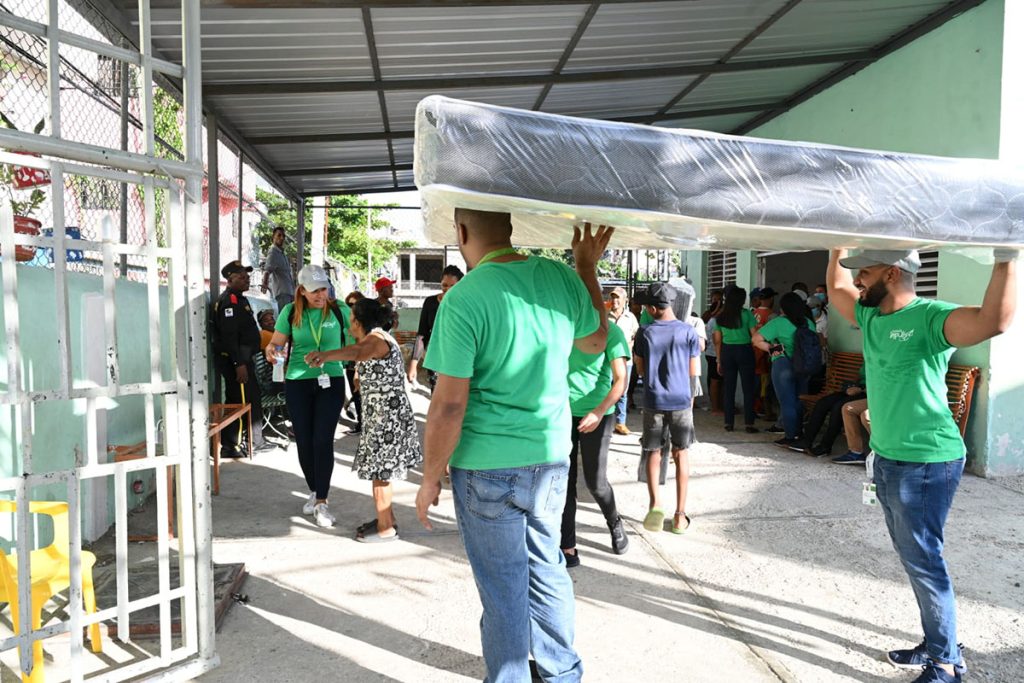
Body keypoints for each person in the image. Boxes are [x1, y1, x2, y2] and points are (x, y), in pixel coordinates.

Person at [415, 210, 610, 683]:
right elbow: (596, 342)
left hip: (484, 467)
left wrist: (428, 477)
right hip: (548, 458)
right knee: (548, 569)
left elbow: (447, 407)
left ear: (461, 234)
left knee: (503, 589)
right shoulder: (561, 277)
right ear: (510, 227)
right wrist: (586, 267)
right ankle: (562, 673)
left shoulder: (462, 299)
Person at [827, 247, 1016, 683]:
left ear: (892, 273)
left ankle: (946, 662)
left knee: (924, 560)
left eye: (866, 273)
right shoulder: (871, 316)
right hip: (889, 456)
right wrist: (837, 245)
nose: (858, 281)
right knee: (913, 558)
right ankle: (937, 641)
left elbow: (994, 322)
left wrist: (1006, 257)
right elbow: (837, 285)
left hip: (928, 461)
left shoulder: (932, 317)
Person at [307, 298, 423, 542]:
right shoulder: (378, 337)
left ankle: (386, 530)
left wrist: (325, 356)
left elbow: (358, 352)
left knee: (380, 474)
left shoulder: (376, 340)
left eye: (351, 320)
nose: (349, 325)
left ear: (359, 322)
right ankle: (386, 520)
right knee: (379, 473)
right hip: (382, 417)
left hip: (387, 420)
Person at [264, 265, 349, 528]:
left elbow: (359, 342)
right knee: (304, 440)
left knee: (322, 440)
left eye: (324, 289)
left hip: (330, 380)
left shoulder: (339, 310)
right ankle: (314, 490)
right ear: (302, 291)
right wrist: (272, 350)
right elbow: (276, 343)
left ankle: (322, 501)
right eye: (314, 291)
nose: (320, 295)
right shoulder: (290, 312)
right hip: (298, 382)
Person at [560, 312, 631, 568]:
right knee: (563, 479)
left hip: (598, 414)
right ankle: (567, 545)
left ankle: (615, 522)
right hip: (562, 413)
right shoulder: (564, 326)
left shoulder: (611, 332)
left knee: (595, 482)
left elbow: (621, 380)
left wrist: (598, 411)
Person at [634, 283, 702, 534]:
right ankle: (680, 516)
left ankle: (655, 505)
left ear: (653, 308)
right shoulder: (689, 332)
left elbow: (640, 369)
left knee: (653, 452)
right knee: (681, 454)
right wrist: (690, 404)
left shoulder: (644, 333)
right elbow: (693, 374)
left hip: (653, 401)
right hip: (681, 401)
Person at [211, 260, 269, 458]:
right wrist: (239, 364)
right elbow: (229, 337)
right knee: (239, 402)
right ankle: (231, 446)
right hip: (237, 362)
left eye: (247, 276)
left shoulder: (239, 299)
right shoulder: (229, 302)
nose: (247, 279)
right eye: (242, 277)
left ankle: (254, 441)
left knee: (250, 399)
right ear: (230, 279)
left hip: (244, 359)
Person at [752, 292, 815, 448]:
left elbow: (756, 339)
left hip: (783, 364)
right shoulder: (808, 322)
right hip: (805, 366)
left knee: (787, 402)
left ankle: (790, 435)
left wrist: (774, 350)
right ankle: (799, 433)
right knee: (800, 400)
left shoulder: (779, 323)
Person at [407, 265, 464, 390]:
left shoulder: (465, 305)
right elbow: (422, 334)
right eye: (444, 285)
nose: (447, 289)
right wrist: (413, 363)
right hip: (436, 360)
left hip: (459, 361)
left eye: (452, 286)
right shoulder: (430, 302)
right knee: (437, 396)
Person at [791, 365, 865, 456]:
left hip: (868, 393)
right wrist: (852, 386)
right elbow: (860, 376)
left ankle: (825, 446)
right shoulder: (869, 357)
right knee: (822, 403)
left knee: (838, 407)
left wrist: (861, 389)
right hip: (857, 389)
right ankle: (806, 441)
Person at [713, 286, 758, 433]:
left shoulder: (720, 316)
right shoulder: (747, 315)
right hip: (744, 351)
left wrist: (719, 360)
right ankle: (749, 423)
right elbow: (754, 336)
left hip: (727, 351)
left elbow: (717, 341)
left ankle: (728, 423)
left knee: (729, 388)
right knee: (748, 388)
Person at [607, 286, 639, 434]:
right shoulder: (605, 316)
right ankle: (606, 421)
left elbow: (636, 335)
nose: (615, 300)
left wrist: (630, 346)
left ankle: (620, 422)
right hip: (606, 360)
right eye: (613, 297)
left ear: (624, 300)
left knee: (622, 390)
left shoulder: (630, 317)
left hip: (625, 359)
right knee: (606, 388)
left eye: (618, 297)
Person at [752, 286, 778, 420]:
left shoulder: (753, 313)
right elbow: (774, 338)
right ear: (771, 298)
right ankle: (765, 410)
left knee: (755, 384)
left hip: (753, 352)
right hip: (765, 354)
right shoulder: (772, 315)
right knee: (765, 386)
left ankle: (754, 409)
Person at [342, 291, 365, 433]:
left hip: (360, 361)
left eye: (355, 304)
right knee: (355, 393)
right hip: (349, 362)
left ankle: (364, 424)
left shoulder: (363, 324)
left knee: (361, 394)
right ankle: (361, 423)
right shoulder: (347, 321)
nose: (351, 307)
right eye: (349, 305)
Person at [261, 227, 295, 312]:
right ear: (273, 237)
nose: (282, 238)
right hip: (282, 294)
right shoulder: (273, 252)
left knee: (290, 318)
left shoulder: (282, 253)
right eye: (279, 235)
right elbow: (267, 270)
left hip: (289, 292)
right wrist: (265, 283)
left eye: (283, 236)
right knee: (285, 319)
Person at [832, 397, 872, 464]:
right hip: (877, 397)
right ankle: (856, 452)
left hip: (891, 400)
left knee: (866, 416)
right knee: (847, 408)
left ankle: (881, 453)